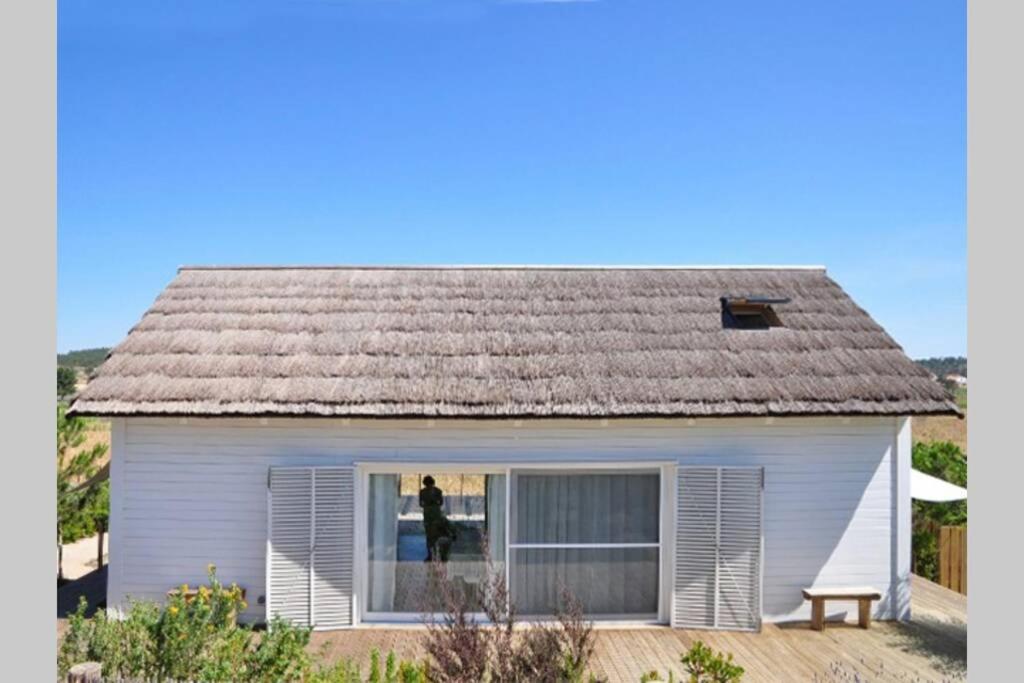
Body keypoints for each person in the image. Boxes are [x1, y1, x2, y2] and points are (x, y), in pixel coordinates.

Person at [419, 475, 450, 562]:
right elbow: (441, 503)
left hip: (428, 516)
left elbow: (421, 504)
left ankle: (431, 555)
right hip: (436, 516)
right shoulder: (438, 491)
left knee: (430, 537)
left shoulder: (422, 492)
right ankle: (440, 555)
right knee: (438, 535)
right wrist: (434, 505)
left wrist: (427, 505)